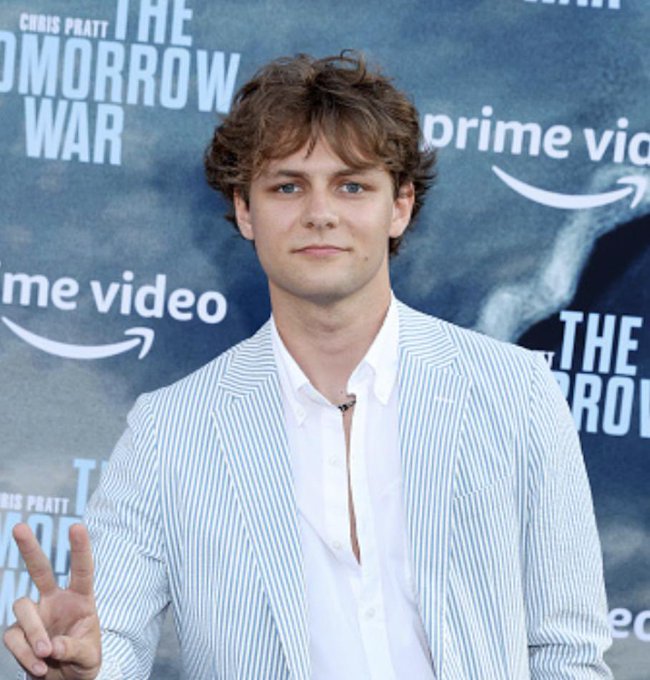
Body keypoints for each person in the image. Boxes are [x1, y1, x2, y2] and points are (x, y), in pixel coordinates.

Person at [4, 51, 612, 680]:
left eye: (352, 185)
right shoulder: (170, 431)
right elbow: (109, 641)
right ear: (246, 210)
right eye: (288, 186)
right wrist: (82, 670)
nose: (320, 213)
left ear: (400, 206)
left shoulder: (516, 393)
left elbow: (567, 655)